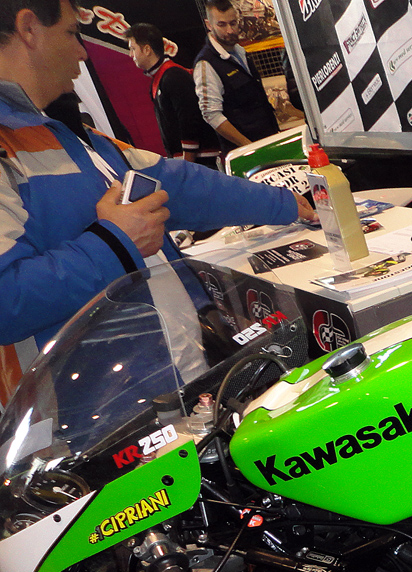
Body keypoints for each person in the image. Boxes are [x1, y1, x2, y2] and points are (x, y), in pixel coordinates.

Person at [0, 0, 314, 349]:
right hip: (87, 381)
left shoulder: (70, 134)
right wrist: (115, 243)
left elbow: (179, 184)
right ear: (29, 29)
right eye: (72, 33)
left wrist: (284, 202)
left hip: (176, 363)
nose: (82, 53)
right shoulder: (10, 146)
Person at [125, 22, 219, 168]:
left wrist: (187, 164)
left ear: (147, 49)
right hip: (188, 162)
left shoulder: (173, 76)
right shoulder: (160, 79)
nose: (131, 54)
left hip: (201, 163)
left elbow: (189, 120)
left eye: (133, 49)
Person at [193, 0, 278, 153]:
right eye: (222, 25)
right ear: (209, 25)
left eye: (233, 23)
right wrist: (248, 145)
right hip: (244, 152)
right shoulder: (206, 64)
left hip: (268, 138)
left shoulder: (240, 52)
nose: (230, 30)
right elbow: (211, 115)